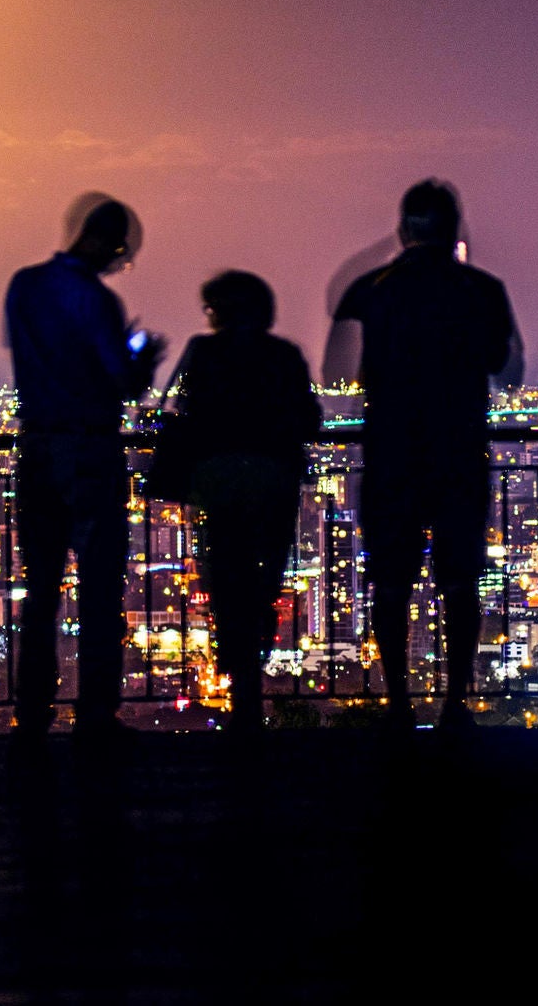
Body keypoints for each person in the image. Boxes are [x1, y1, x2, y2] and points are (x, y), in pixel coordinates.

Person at [326, 180, 516, 730]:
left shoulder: (370, 289)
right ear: (455, 228)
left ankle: (398, 704)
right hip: (458, 452)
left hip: (391, 455)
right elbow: (505, 364)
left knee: (390, 583)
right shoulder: (483, 289)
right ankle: (456, 703)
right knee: (459, 583)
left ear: (404, 228)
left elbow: (337, 374)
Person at [6, 196, 166, 737]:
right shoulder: (97, 300)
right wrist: (141, 359)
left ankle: (31, 711)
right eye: (119, 253)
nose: (118, 264)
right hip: (91, 453)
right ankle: (96, 712)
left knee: (40, 590)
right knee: (99, 591)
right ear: (105, 242)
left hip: (36, 449)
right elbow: (123, 382)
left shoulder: (22, 286)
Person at [164, 271, 321, 731]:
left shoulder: (205, 352)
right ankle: (252, 668)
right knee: (266, 579)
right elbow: (309, 419)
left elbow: (179, 410)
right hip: (273, 480)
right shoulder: (284, 355)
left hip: (219, 482)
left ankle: (239, 676)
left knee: (225, 580)